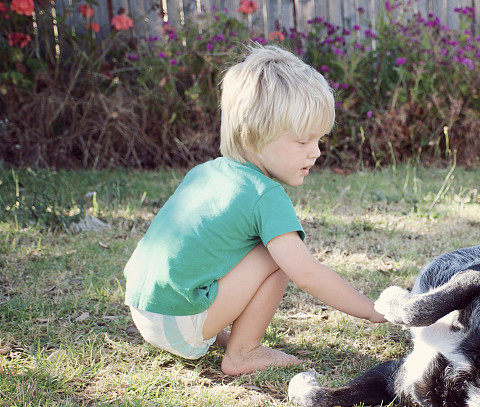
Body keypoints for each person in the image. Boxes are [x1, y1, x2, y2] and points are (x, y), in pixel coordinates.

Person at [124, 44, 385, 376]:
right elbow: (306, 273)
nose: (316, 152)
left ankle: (215, 329)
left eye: (319, 140)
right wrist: (370, 311)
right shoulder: (266, 194)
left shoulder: (206, 172)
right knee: (277, 257)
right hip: (179, 324)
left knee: (235, 248)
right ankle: (243, 353)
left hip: (144, 310)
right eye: (303, 142)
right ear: (255, 135)